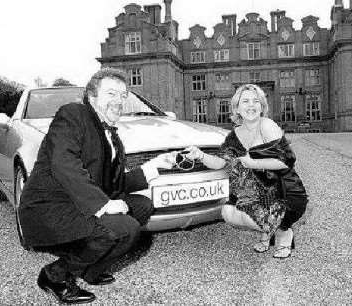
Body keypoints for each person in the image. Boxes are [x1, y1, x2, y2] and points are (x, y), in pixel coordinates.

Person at [18, 67, 174, 304]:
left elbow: (115, 184)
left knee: (142, 206)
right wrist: (103, 205)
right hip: (49, 207)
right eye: (111, 93)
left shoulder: (112, 135)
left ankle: (89, 272)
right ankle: (54, 275)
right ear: (92, 98)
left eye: (123, 95)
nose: (119, 101)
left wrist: (155, 167)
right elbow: (64, 163)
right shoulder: (73, 115)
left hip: (77, 203)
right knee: (123, 226)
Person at [184, 84, 308, 259]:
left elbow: (286, 161)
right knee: (228, 213)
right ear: (237, 108)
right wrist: (200, 155)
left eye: (256, 101)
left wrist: (251, 163)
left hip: (285, 191)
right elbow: (219, 163)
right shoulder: (234, 135)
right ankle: (269, 227)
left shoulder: (267, 125)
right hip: (260, 192)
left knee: (255, 212)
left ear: (262, 106)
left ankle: (283, 231)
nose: (251, 105)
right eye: (246, 101)